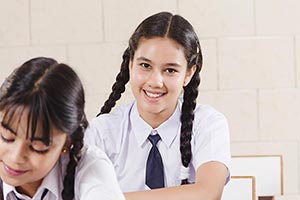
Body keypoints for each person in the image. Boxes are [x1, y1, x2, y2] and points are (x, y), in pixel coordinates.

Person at [85, 11, 231, 200]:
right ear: (130, 64)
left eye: (170, 70)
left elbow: (208, 193)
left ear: (188, 74)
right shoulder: (101, 132)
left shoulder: (208, 124)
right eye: (145, 66)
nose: (155, 81)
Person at [0, 57, 125, 200]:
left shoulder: (88, 167)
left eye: (37, 147)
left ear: (66, 143)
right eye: (6, 137)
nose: (15, 157)